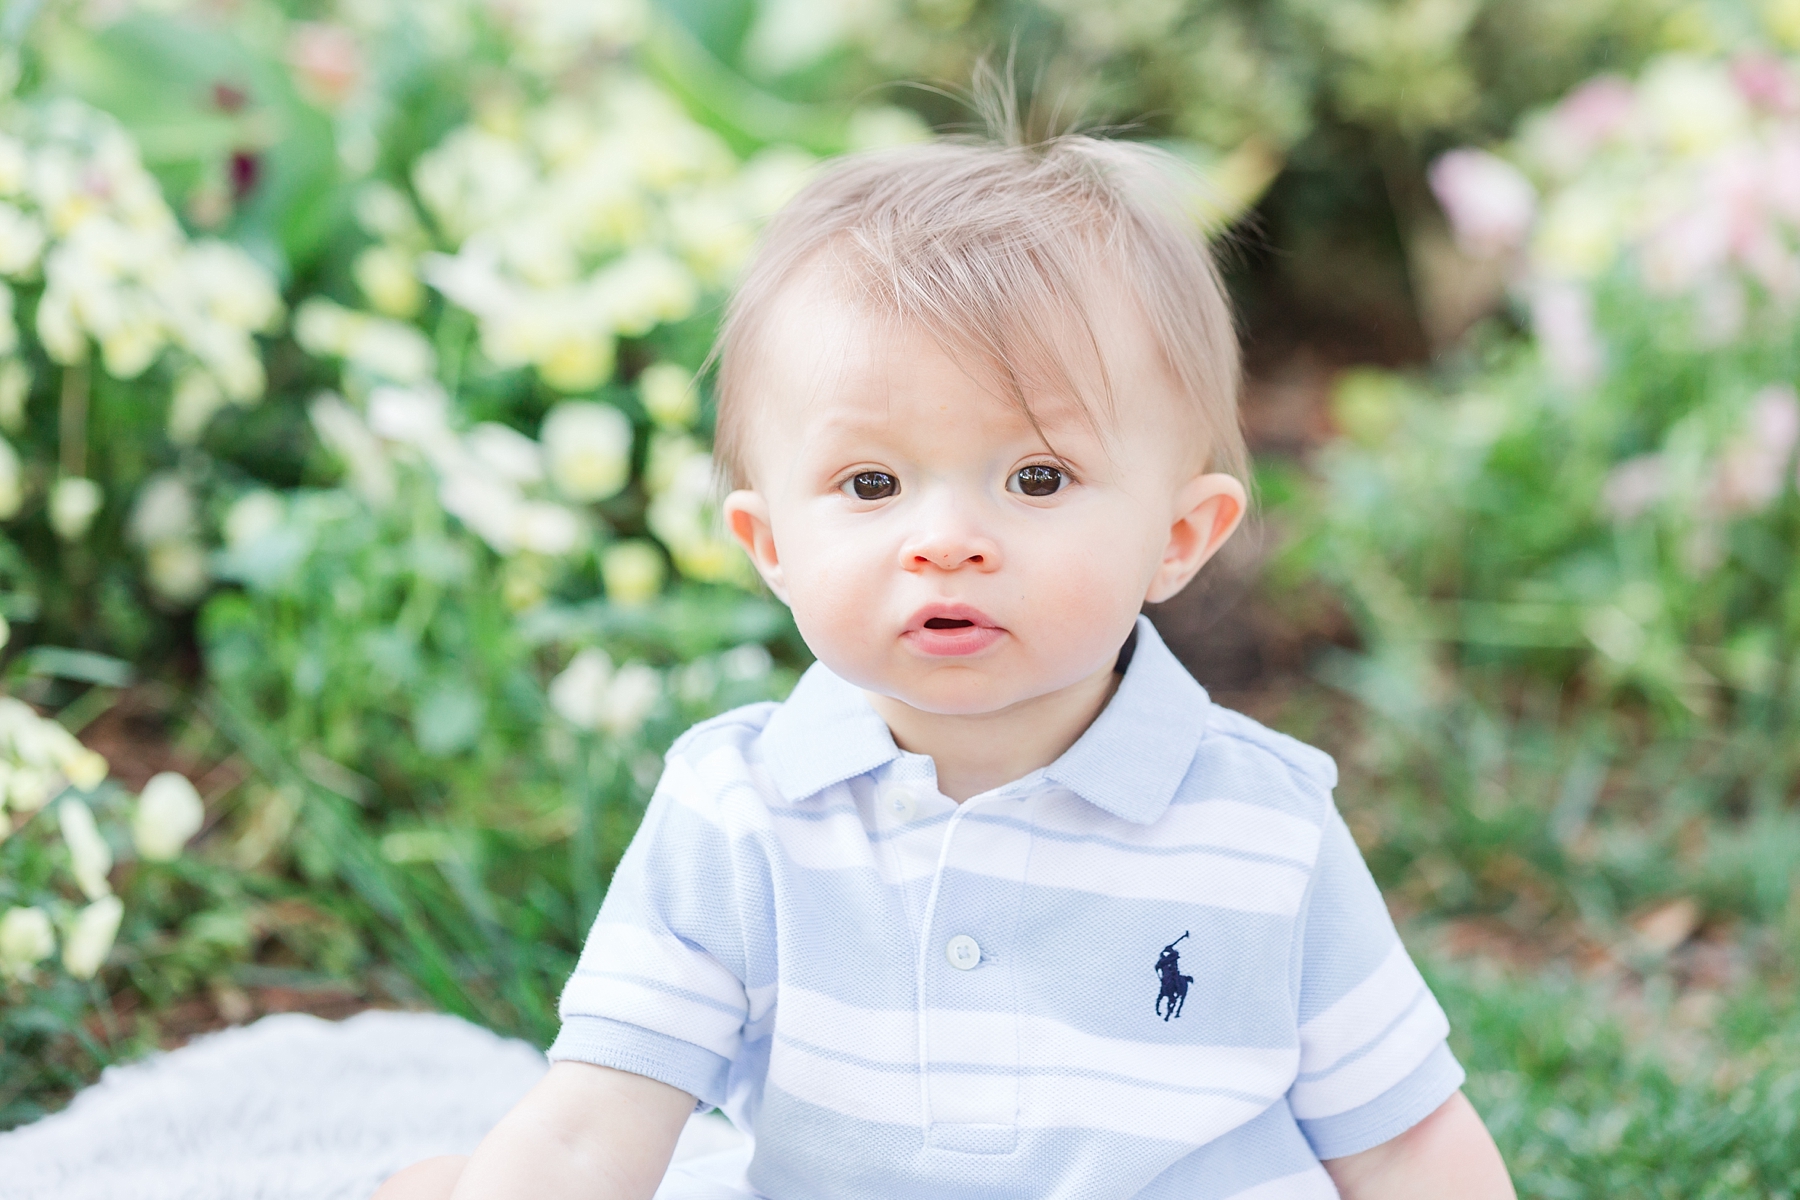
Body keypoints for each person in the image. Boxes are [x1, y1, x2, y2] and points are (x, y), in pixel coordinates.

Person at [375, 121, 1516, 1200]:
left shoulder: (1261, 825)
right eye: (872, 485)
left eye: (1036, 478)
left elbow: (1409, 1144)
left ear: (1178, 538)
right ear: (770, 547)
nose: (947, 539)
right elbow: (593, 1124)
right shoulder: (738, 812)